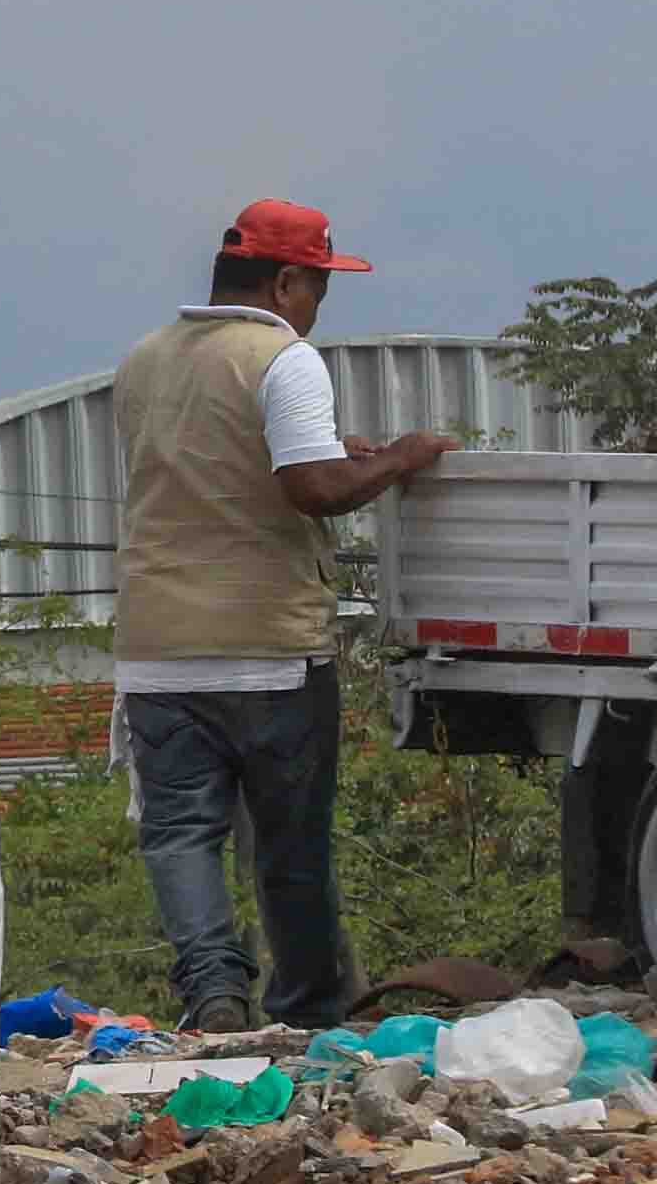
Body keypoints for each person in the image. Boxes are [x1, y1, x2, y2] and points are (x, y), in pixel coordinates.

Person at [111, 199, 457, 1034]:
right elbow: (310, 489)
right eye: (319, 290)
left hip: (156, 647)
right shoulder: (285, 358)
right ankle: (306, 1010)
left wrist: (341, 456)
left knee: (180, 835)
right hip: (270, 650)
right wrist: (404, 457)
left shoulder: (145, 359)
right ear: (287, 279)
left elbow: (217, 467)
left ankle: (214, 991)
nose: (318, 307)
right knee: (289, 845)